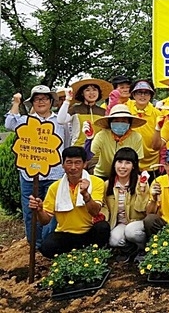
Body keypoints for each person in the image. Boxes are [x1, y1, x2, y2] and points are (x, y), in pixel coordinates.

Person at [5, 86, 68, 249]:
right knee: (30, 211)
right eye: (37, 99)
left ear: (51, 101)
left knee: (51, 211)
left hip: (54, 174)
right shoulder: (26, 120)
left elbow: (67, 144)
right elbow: (9, 123)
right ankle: (34, 245)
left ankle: (46, 245)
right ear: (32, 102)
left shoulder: (60, 121)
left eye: (45, 98)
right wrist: (16, 102)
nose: (41, 102)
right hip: (28, 174)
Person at [28, 146, 110, 258]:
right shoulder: (55, 187)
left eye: (77, 163)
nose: (73, 167)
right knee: (47, 247)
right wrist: (39, 210)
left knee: (103, 227)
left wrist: (86, 195)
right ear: (63, 165)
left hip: (89, 232)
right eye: (69, 163)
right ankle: (71, 258)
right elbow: (45, 221)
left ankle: (97, 257)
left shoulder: (96, 182)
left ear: (85, 164)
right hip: (65, 234)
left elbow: (95, 212)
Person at [102, 147, 149, 258]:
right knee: (114, 240)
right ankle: (131, 249)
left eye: (127, 163)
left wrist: (141, 191)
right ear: (114, 164)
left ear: (133, 166)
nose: (122, 166)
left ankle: (143, 249)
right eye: (119, 162)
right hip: (120, 223)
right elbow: (104, 207)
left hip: (138, 222)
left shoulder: (141, 182)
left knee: (131, 232)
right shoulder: (108, 184)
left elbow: (142, 209)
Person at [89, 104, 145, 179]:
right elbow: (90, 155)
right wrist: (89, 138)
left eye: (124, 121)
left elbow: (137, 160)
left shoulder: (136, 137)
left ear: (129, 123)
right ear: (110, 123)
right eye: (116, 121)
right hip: (103, 174)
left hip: (126, 176)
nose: (120, 123)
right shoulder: (101, 135)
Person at [57, 78, 111, 146]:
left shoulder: (103, 112)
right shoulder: (75, 109)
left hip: (98, 150)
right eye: (87, 90)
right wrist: (67, 100)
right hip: (78, 150)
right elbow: (60, 120)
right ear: (82, 93)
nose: (91, 93)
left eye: (94, 90)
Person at [126, 80, 161, 174]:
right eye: (139, 92)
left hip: (152, 161)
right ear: (133, 95)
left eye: (146, 93)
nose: (143, 96)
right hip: (129, 160)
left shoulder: (157, 113)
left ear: (151, 95)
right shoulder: (126, 109)